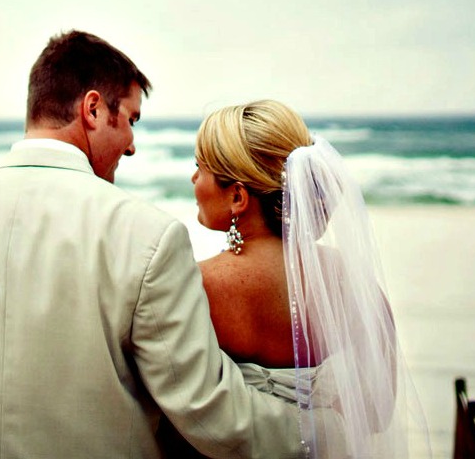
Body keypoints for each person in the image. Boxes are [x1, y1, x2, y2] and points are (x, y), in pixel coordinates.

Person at [0, 32, 303, 459]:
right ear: (93, 109)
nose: (131, 146)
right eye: (130, 120)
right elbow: (210, 414)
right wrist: (325, 432)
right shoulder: (148, 237)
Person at [183, 100, 430, 458]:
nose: (193, 179)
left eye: (199, 168)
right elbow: (378, 412)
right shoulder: (354, 286)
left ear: (238, 196)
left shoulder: (196, 286)